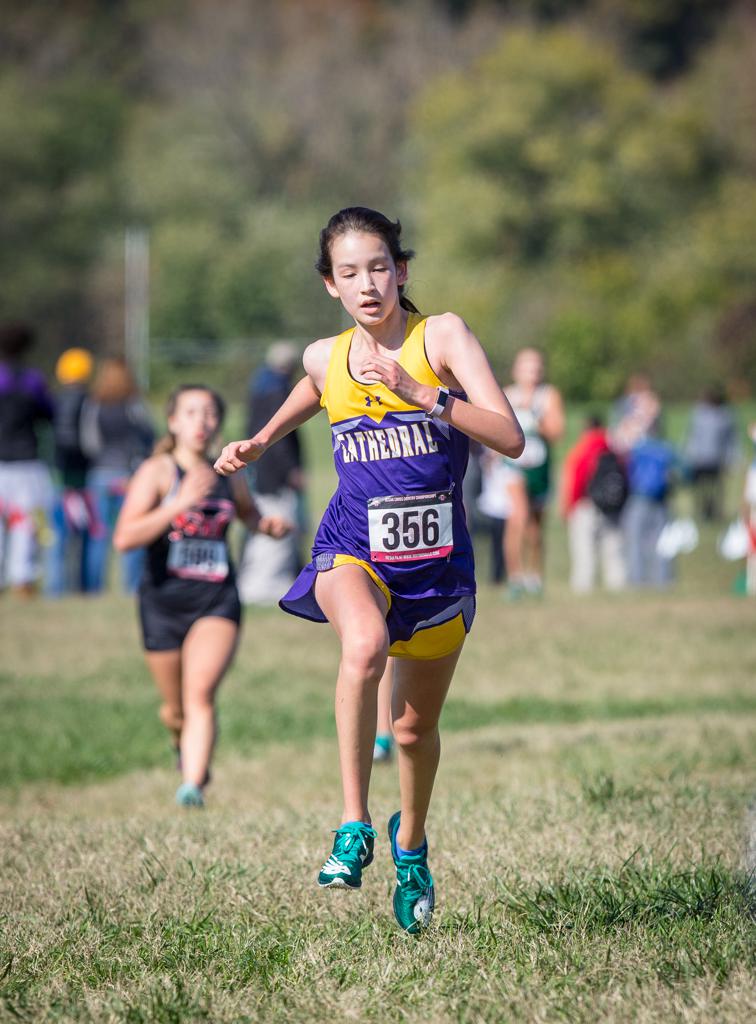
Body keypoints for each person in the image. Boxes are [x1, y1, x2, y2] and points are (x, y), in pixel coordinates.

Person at [215, 206, 524, 933]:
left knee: (415, 733)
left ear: (402, 270)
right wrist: (259, 440)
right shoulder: (324, 357)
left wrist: (425, 396)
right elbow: (315, 391)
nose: (367, 284)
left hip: (438, 568)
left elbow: (508, 435)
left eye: (379, 267)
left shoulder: (439, 336)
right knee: (363, 646)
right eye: (349, 273)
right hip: (351, 547)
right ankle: (353, 823)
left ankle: (409, 845)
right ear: (330, 285)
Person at [113, 385, 288, 808]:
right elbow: (124, 538)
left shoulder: (229, 470)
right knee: (175, 710)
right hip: (161, 603)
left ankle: (192, 787)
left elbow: (245, 512)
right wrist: (180, 503)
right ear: (172, 421)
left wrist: (266, 526)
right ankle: (182, 743)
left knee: (200, 695)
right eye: (191, 412)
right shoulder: (158, 471)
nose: (202, 422)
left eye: (210, 413)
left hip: (216, 600)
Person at [236, 341, 306, 604]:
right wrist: (291, 470)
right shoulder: (278, 391)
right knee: (278, 520)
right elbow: (280, 441)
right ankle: (264, 582)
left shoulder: (259, 386)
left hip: (260, 471)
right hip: (274, 476)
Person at [81, 357, 154, 593]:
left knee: (97, 535)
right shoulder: (133, 404)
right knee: (132, 532)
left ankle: (94, 589)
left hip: (100, 474)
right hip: (129, 475)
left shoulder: (94, 404)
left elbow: (89, 442)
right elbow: (148, 435)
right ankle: (131, 587)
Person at [503, 348, 564, 598]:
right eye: (527, 366)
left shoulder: (548, 396)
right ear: (516, 370)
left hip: (540, 467)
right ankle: (514, 578)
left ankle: (535, 577)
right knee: (519, 516)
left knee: (536, 528)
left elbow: (556, 432)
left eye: (537, 366)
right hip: (512, 467)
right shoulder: (506, 395)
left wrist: (534, 416)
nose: (533, 372)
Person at [0, 322, 55, 596]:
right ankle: (23, 579)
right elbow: (49, 413)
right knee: (25, 523)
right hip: (26, 461)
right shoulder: (32, 379)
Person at [47, 347, 98, 596]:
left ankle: (54, 589)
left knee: (58, 535)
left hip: (58, 474)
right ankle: (83, 587)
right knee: (85, 535)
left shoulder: (54, 399)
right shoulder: (89, 400)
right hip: (83, 476)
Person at [560, 415, 626, 594]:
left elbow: (576, 478)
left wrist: (569, 507)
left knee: (584, 549)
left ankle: (584, 586)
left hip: (586, 505)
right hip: (612, 506)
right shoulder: (614, 447)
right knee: (613, 549)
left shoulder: (583, 448)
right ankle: (617, 585)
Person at [623, 431, 678, 588]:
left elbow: (627, 470)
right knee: (662, 541)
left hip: (638, 497)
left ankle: (637, 580)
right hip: (660, 500)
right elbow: (681, 471)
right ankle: (664, 580)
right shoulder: (666, 448)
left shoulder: (637, 448)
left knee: (635, 541)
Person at [683, 385, 738, 522]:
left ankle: (716, 512)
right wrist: (687, 453)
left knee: (717, 488)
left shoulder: (726, 415)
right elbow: (691, 435)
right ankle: (701, 511)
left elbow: (731, 439)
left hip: (716, 459)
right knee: (699, 487)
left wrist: (731, 458)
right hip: (699, 458)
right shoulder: (698, 414)